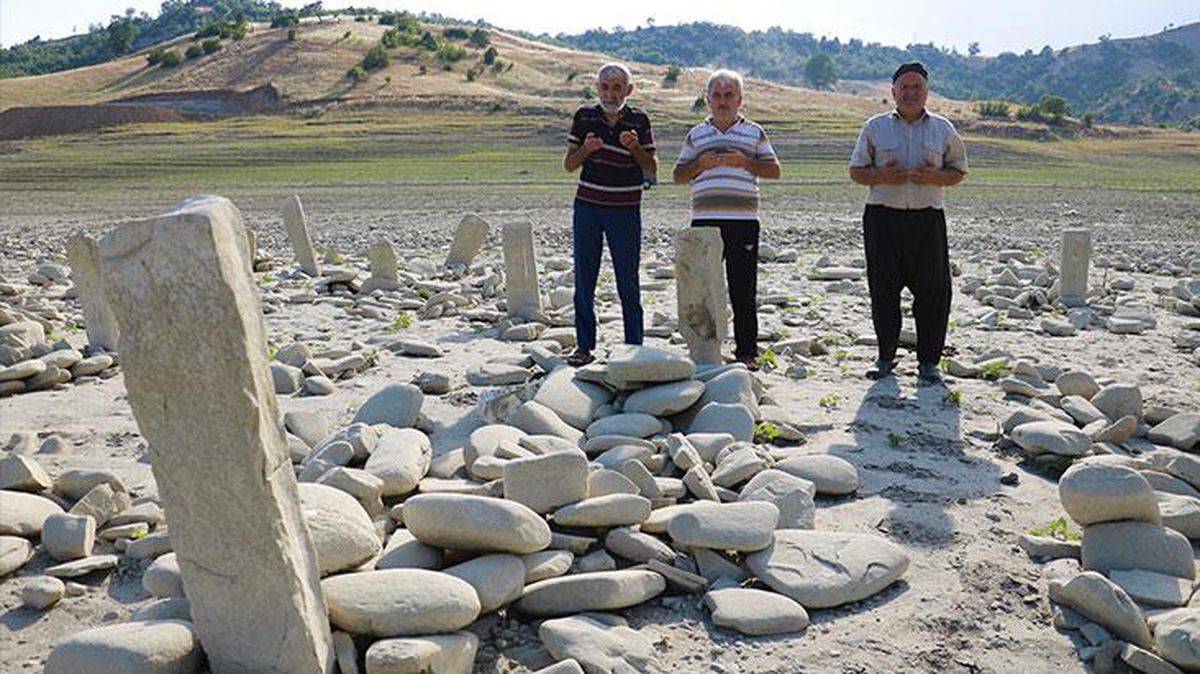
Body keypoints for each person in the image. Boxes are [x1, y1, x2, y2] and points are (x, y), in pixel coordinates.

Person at [849, 62, 968, 385]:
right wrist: (882, 175)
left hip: (928, 219)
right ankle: (885, 357)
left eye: (917, 87)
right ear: (893, 92)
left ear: (926, 92)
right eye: (905, 87)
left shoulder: (943, 129)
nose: (911, 92)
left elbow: (958, 171)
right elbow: (856, 171)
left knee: (934, 291)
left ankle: (929, 361)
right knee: (883, 289)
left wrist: (936, 176)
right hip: (882, 218)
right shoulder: (874, 127)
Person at [673, 69, 781, 370]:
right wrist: (699, 164)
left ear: (740, 99)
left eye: (728, 95)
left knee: (743, 288)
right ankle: (703, 347)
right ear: (708, 100)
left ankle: (747, 352)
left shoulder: (754, 132)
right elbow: (678, 176)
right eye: (717, 96)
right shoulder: (696, 135)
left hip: (743, 220)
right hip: (704, 222)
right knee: (702, 286)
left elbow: (774, 171)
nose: (722, 101)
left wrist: (746, 163)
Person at [563, 63, 658, 367]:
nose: (610, 93)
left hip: (626, 209)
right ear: (597, 88)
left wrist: (634, 149)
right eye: (605, 87)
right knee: (584, 276)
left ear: (629, 90)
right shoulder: (584, 117)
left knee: (627, 279)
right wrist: (587, 150)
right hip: (588, 206)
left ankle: (634, 348)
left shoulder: (639, 120)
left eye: (617, 87)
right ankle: (584, 346)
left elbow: (652, 166)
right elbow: (569, 164)